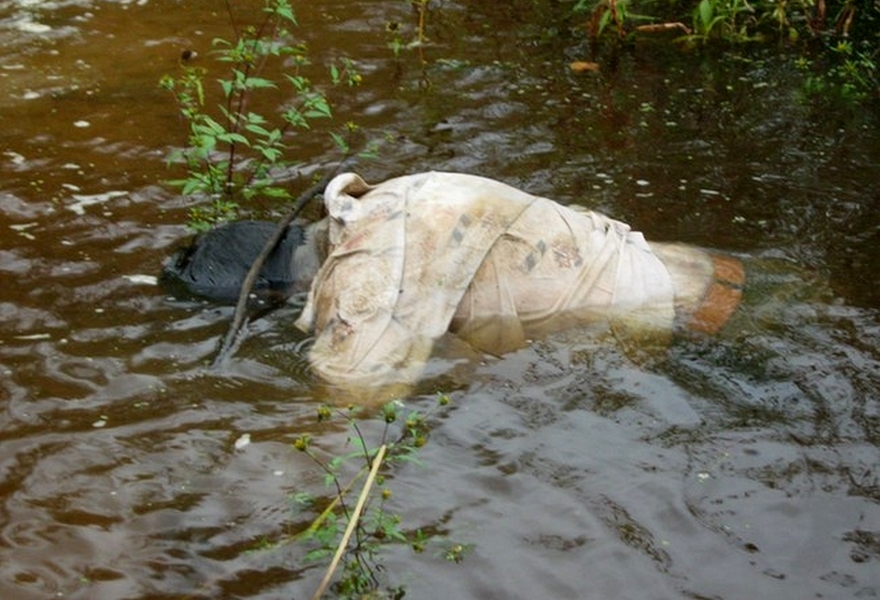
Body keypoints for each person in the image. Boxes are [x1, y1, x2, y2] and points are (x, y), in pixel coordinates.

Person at [163, 172, 744, 395]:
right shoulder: (382, 202)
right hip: (709, 270)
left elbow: (352, 400)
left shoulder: (362, 274)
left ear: (271, 293)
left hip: (699, 322)